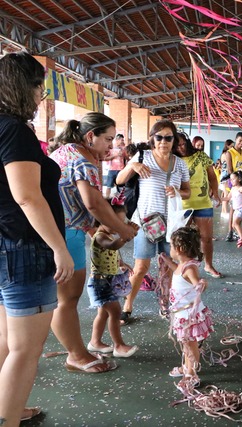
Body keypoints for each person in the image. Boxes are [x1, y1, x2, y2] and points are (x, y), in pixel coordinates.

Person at [0, 51, 74, 425]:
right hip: (23, 249)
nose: (41, 94)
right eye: (38, 86)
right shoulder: (13, 130)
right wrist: (59, 248)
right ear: (21, 87)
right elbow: (26, 195)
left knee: (5, 342)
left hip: (4, 247)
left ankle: (6, 409)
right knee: (26, 350)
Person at [50, 112, 137, 374]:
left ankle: (79, 351)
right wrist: (122, 229)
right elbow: (93, 202)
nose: (112, 146)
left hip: (59, 229)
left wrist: (95, 230)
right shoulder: (84, 160)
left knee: (61, 299)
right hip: (67, 233)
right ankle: (76, 355)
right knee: (67, 299)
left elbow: (72, 200)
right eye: (108, 139)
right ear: (90, 136)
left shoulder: (66, 151)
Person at [115, 119, 190, 325]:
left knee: (168, 265)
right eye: (159, 137)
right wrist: (133, 165)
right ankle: (127, 306)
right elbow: (120, 180)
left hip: (170, 224)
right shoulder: (142, 156)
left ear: (174, 140)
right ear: (152, 138)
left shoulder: (180, 164)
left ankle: (165, 303)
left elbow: (187, 192)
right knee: (141, 267)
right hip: (144, 222)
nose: (163, 142)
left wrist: (176, 192)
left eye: (168, 138)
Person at [160, 227, 214, 385]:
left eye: (170, 246)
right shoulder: (182, 264)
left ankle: (192, 373)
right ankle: (186, 367)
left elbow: (198, 284)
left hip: (189, 316)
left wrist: (202, 284)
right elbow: (176, 270)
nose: (169, 249)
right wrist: (166, 260)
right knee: (186, 344)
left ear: (180, 249)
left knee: (190, 345)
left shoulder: (190, 268)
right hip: (181, 314)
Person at [86, 201, 138, 358]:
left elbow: (110, 254)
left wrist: (121, 263)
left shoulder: (107, 234)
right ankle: (119, 345)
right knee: (115, 312)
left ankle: (95, 342)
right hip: (100, 283)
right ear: (102, 219)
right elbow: (112, 246)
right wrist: (125, 236)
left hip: (105, 281)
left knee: (103, 313)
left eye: (121, 223)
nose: (119, 226)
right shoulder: (100, 236)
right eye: (115, 222)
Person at [174, 132, 222, 279]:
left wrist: (215, 191)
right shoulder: (173, 159)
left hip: (202, 202)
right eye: (177, 145)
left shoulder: (201, 156)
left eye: (183, 144)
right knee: (181, 238)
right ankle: (182, 267)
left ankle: (208, 265)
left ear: (187, 142)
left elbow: (212, 175)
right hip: (182, 204)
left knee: (206, 237)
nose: (181, 148)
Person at [222, 132, 242, 241]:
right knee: (233, 208)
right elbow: (230, 170)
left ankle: (237, 231)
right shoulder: (229, 153)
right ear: (235, 140)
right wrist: (235, 183)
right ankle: (230, 232)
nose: (241, 143)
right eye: (239, 140)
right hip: (233, 182)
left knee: (240, 207)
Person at [103, 134, 126, 198]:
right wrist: (115, 156)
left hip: (121, 170)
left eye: (123, 140)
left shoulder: (123, 149)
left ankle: (120, 200)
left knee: (121, 187)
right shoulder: (111, 148)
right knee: (109, 186)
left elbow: (126, 158)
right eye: (121, 140)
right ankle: (107, 199)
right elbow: (105, 158)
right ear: (117, 140)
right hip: (112, 169)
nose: (122, 141)